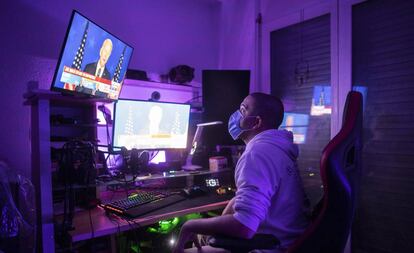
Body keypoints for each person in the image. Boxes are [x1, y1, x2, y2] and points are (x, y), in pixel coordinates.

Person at [173, 92, 310, 253]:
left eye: (243, 110)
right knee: (205, 238)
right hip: (289, 242)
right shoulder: (277, 149)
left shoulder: (257, 153)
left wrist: (190, 226)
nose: (236, 115)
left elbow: (244, 226)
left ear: (256, 122)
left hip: (267, 248)